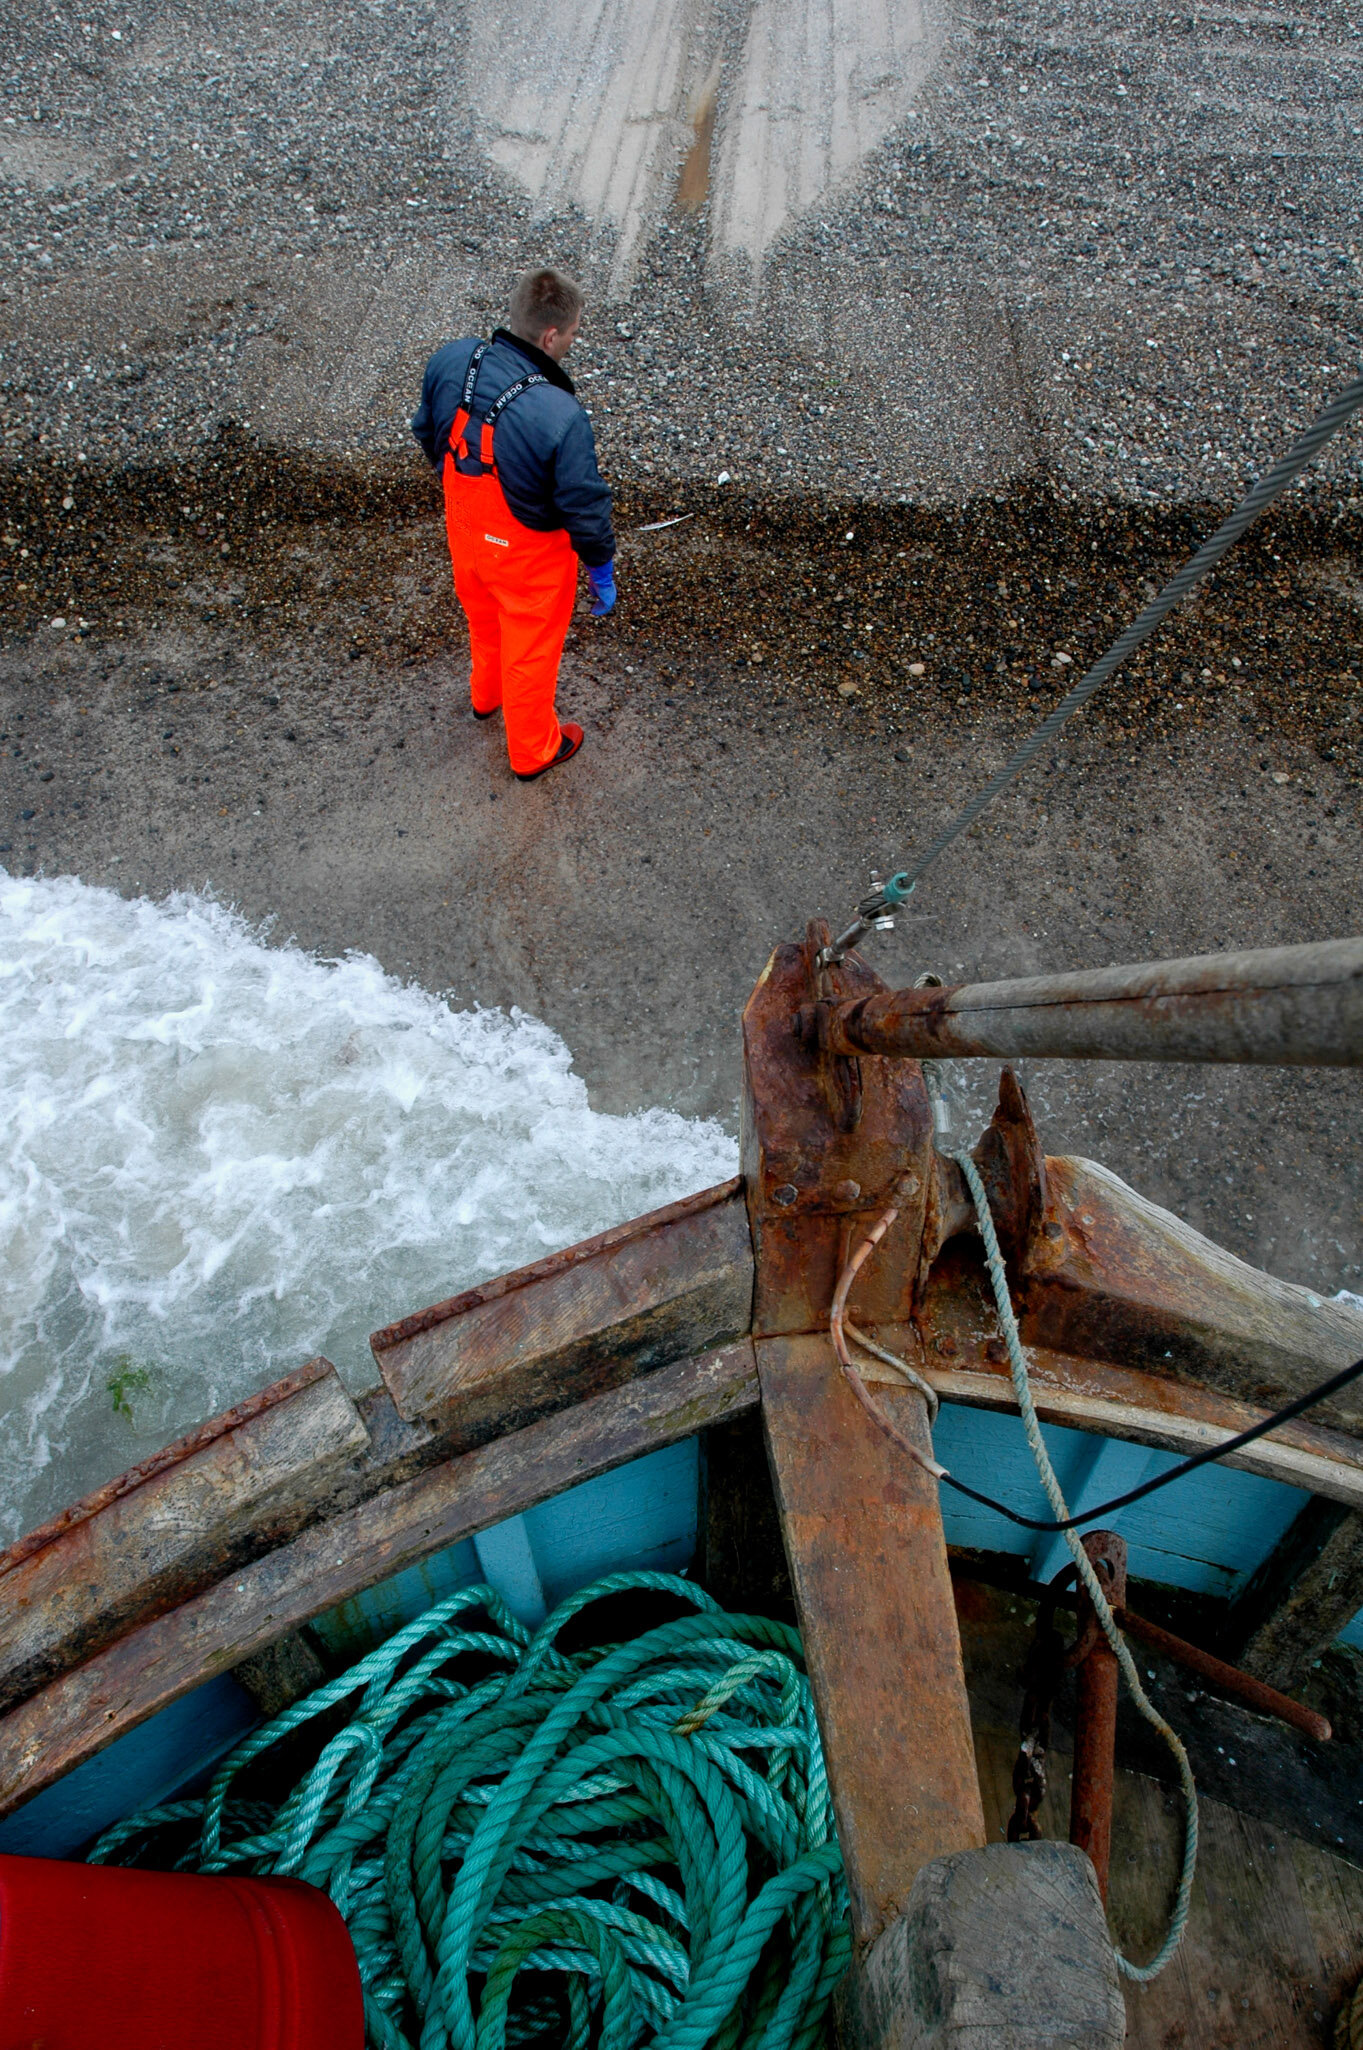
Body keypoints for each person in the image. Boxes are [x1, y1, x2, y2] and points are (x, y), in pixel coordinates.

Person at [411, 267, 616, 781]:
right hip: (525, 554)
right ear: (551, 336)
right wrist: (600, 564)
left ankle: (486, 699)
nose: (572, 339)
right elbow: (583, 505)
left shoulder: (453, 359)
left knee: (482, 615)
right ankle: (533, 752)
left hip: (464, 528)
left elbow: (427, 430)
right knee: (530, 646)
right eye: (572, 333)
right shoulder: (559, 413)